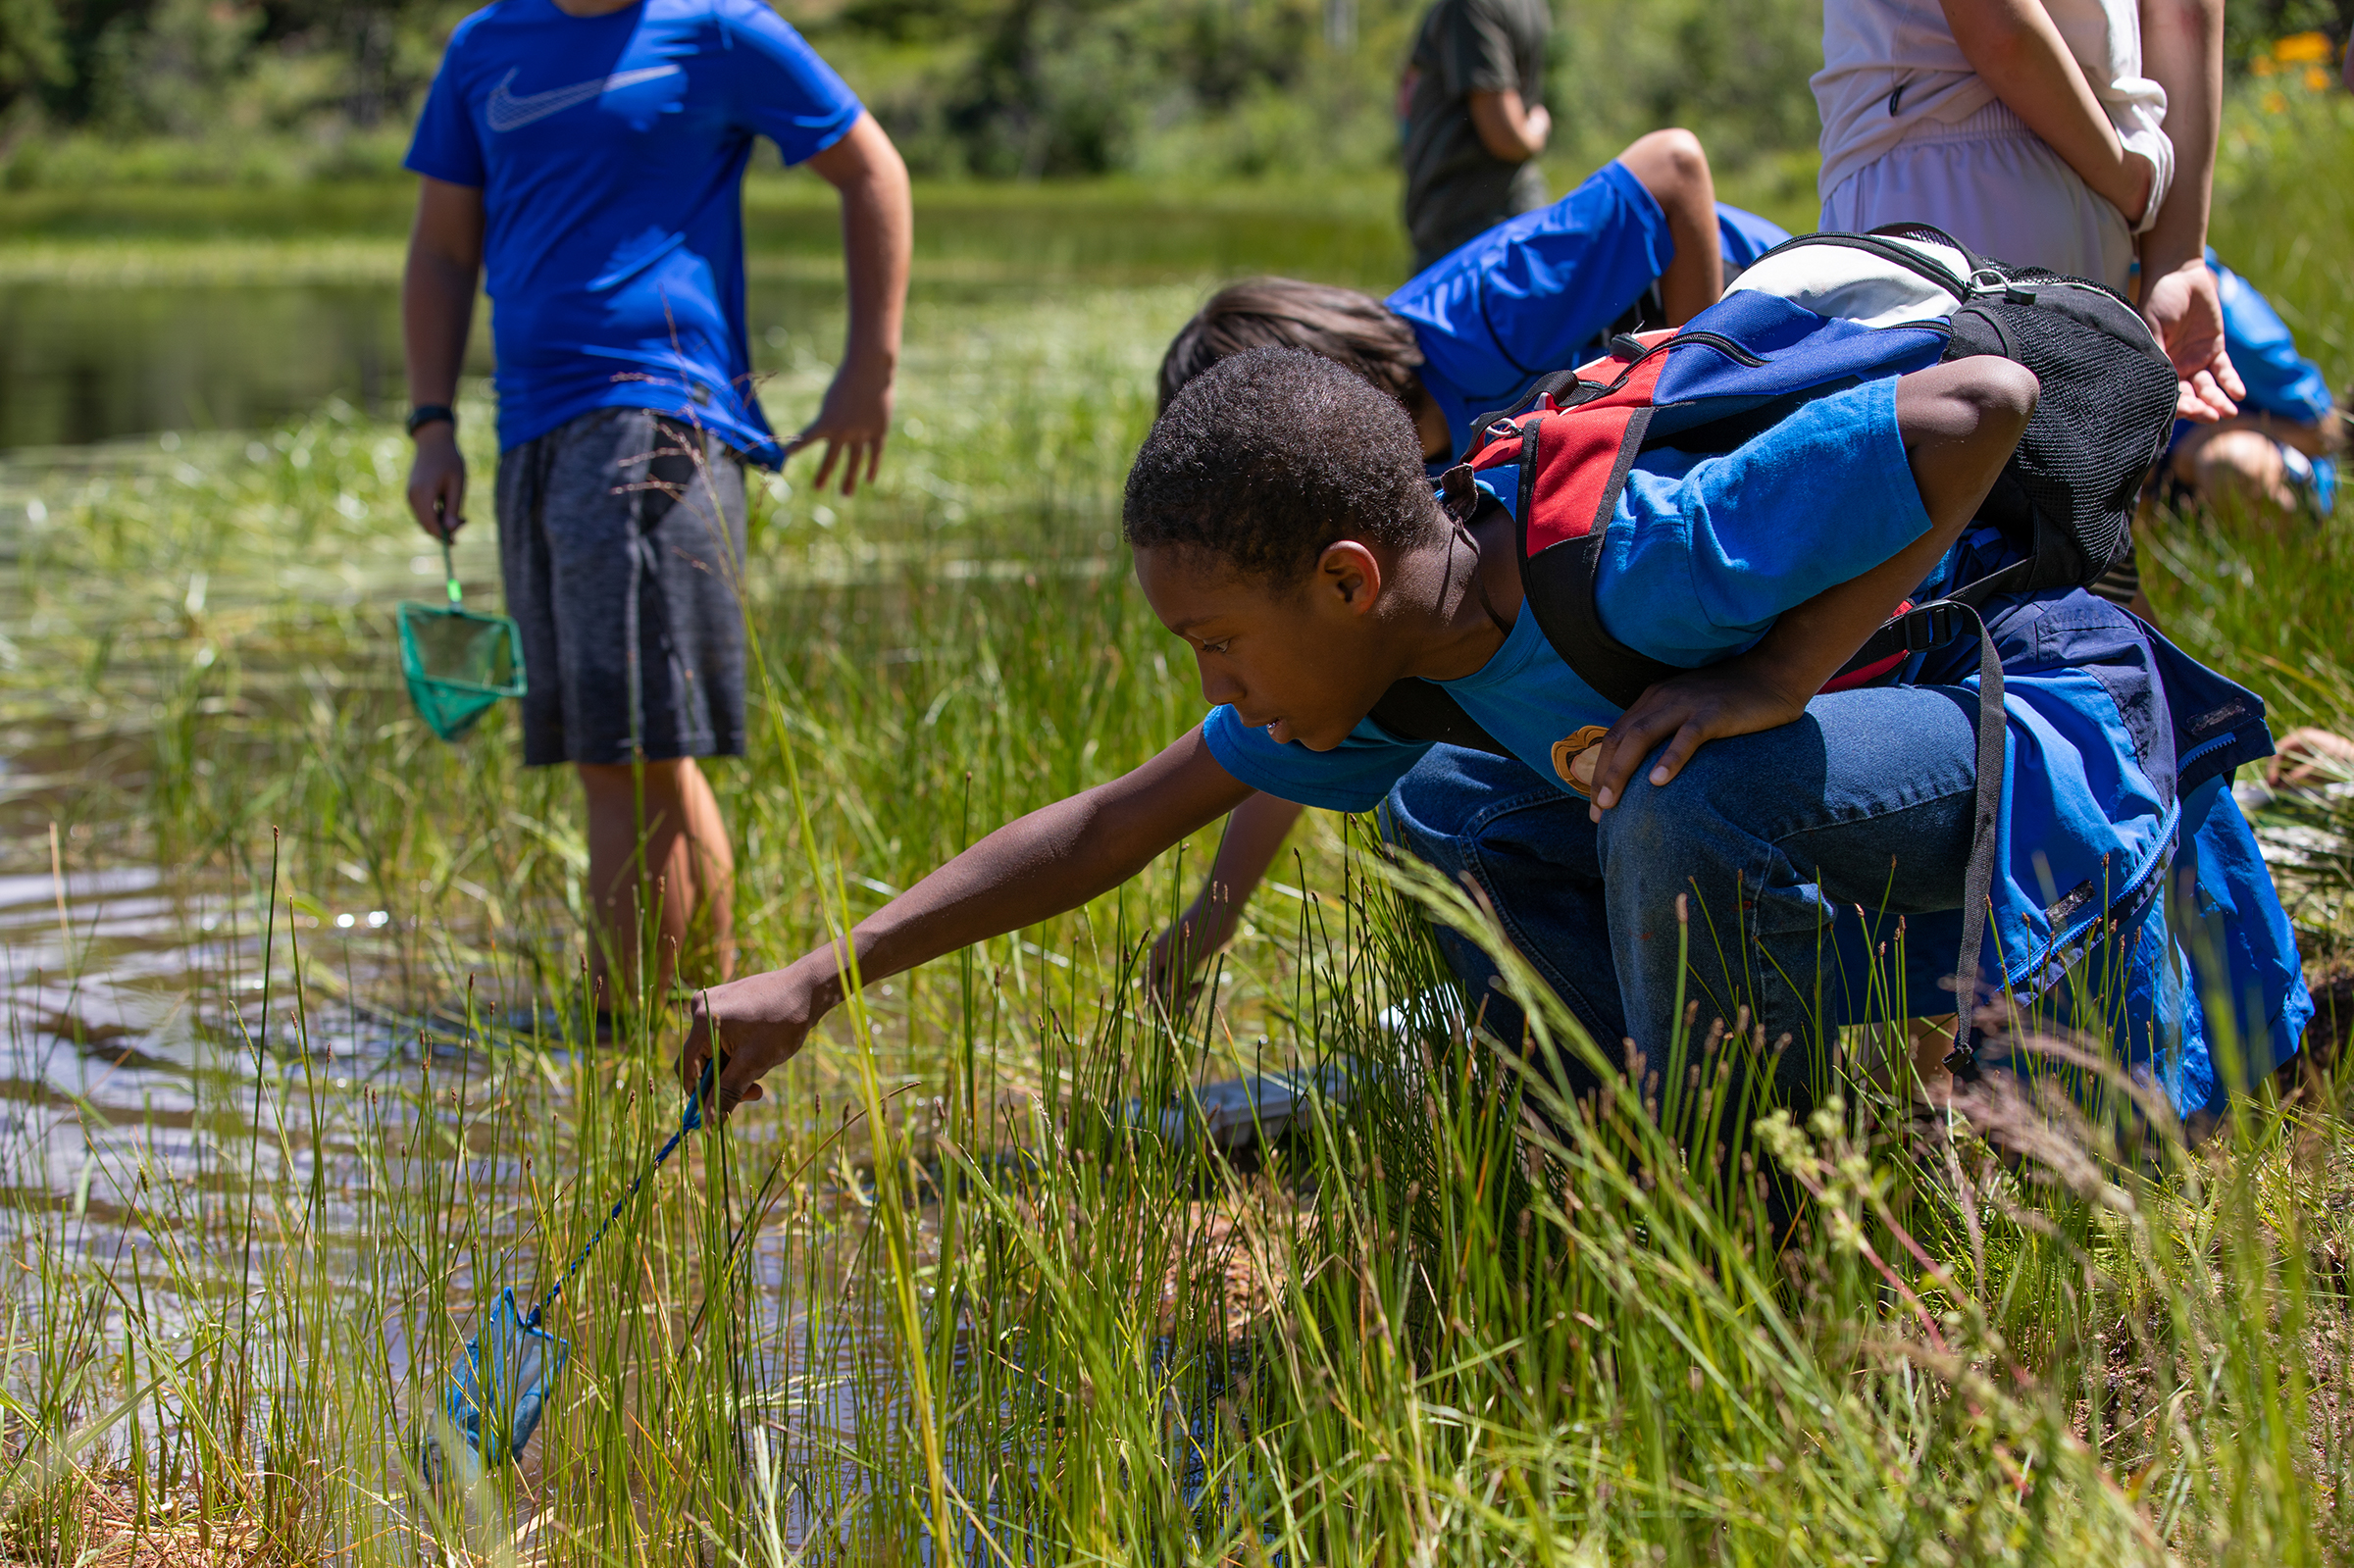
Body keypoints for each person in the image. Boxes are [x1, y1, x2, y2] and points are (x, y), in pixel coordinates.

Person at [680, 346, 2309, 1144]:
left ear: (1347, 579)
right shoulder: (1401, 674)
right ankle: (1616, 1120)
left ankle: (1718, 1192)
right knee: (1448, 810)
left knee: (1693, 781)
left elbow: (1985, 402)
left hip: (2038, 741)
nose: (1218, 685)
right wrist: (826, 973)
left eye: (1216, 642)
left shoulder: (1638, 560)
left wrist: (1776, 676)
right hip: (1866, 825)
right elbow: (1117, 822)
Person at [1145, 133, 1788, 1005]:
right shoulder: (1376, 505)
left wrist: (1700, 410)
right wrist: (1218, 908)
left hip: (1778, 382)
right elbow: (1307, 705)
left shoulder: (1486, 315)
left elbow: (1675, 170)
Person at [399, 0, 911, 1018]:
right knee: (615, 749)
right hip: (530, 427)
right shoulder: (483, 45)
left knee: (637, 746)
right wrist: (431, 423)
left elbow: (871, 170)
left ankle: (639, 1035)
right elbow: (446, 248)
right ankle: (677, 1025)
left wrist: (870, 370)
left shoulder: (718, 28)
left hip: (660, 415)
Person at [1813, 0, 2244, 426]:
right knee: (2074, 479)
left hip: (1933, 180)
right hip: (2098, 189)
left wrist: (2125, 181)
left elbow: (2000, 30)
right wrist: (2178, 254)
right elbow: (2184, 14)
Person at [2155, 251, 2342, 521]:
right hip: (2166, 483)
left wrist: (2208, 435)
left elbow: (2327, 431)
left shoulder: (2239, 328)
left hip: (2264, 474)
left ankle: (2283, 547)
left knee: (2230, 460)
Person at [1398, 0, 1553, 273]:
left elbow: (1505, 138)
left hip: (1471, 230)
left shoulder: (1471, 5)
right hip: (1490, 221)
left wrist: (1537, 130)